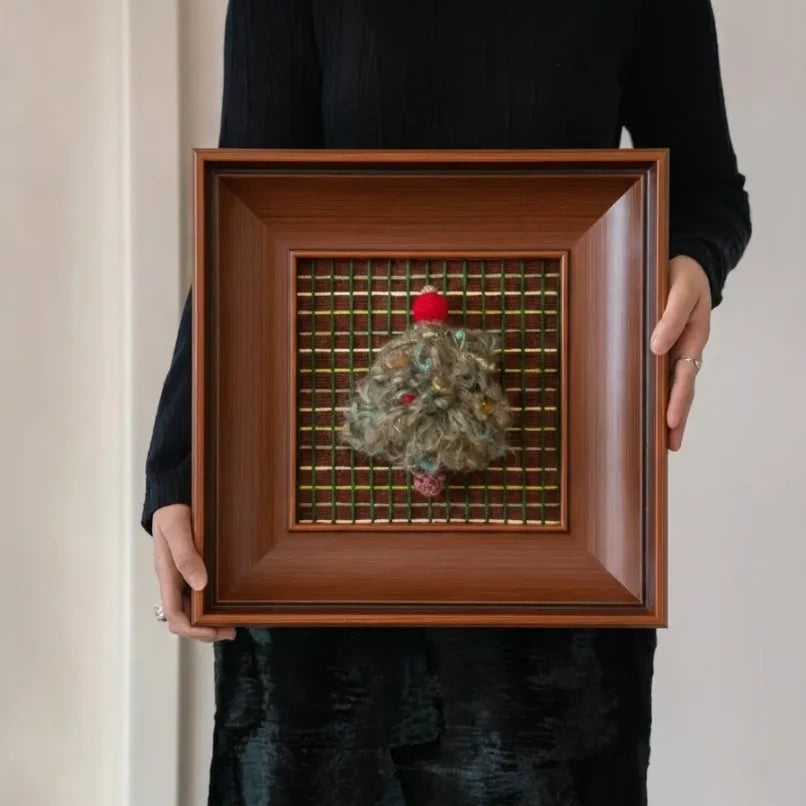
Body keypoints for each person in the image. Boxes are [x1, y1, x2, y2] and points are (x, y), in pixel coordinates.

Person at [142, 2, 751, 804]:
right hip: (314, 511)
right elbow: (244, 221)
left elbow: (709, 193)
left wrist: (695, 264)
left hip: (560, 510)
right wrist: (177, 470)